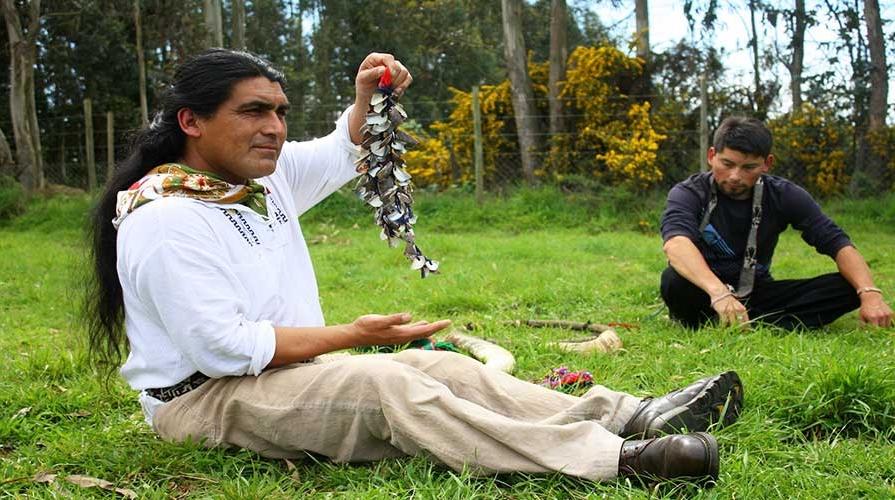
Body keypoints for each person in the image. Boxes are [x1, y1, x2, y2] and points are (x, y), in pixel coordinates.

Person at [85, 48, 743, 487]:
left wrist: (365, 95)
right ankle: (615, 461)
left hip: (286, 373)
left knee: (443, 367)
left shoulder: (260, 180)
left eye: (280, 112)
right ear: (191, 122)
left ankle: (630, 414)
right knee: (387, 387)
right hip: (206, 401)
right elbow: (223, 350)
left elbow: (344, 150)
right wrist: (356, 337)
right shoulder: (166, 217)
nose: (275, 128)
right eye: (254, 111)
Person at [660, 116, 893, 330]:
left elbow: (837, 243)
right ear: (711, 156)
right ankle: (755, 320)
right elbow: (676, 244)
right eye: (727, 164)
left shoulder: (785, 195)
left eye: (748, 167)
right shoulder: (688, 192)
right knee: (673, 280)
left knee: (850, 287)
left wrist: (870, 293)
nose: (735, 176)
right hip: (705, 291)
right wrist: (719, 293)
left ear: (766, 163)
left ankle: (745, 320)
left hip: (756, 290)